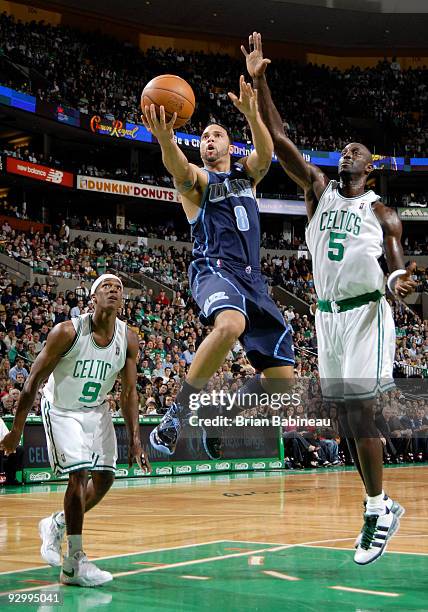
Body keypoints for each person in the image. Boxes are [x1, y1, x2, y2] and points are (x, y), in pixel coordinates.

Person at [243, 32, 417, 565]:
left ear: (372, 165)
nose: (348, 149)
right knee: (346, 418)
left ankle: (374, 511)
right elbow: (279, 136)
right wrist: (261, 78)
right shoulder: (317, 189)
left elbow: (395, 267)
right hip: (327, 319)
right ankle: (382, 502)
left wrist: (400, 282)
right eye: (344, 147)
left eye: (357, 149)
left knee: (361, 410)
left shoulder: (382, 214)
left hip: (367, 312)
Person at [141, 76, 294, 459]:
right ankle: (177, 414)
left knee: (282, 384)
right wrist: (165, 140)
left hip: (253, 278)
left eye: (217, 135)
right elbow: (179, 169)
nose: (209, 140)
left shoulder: (246, 178)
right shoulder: (198, 182)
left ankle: (220, 417)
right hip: (214, 267)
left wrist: (252, 113)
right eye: (205, 136)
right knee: (230, 324)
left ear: (229, 144)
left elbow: (265, 152)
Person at [0, 274, 151, 586]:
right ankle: (74, 562)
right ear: (92, 299)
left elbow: (129, 392)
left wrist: (136, 440)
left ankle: (56, 523)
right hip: (62, 408)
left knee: (106, 478)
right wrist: (16, 429)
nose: (114, 290)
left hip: (96, 409)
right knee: (79, 474)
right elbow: (32, 383)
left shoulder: (129, 339)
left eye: (119, 288)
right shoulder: (67, 332)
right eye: (106, 287)